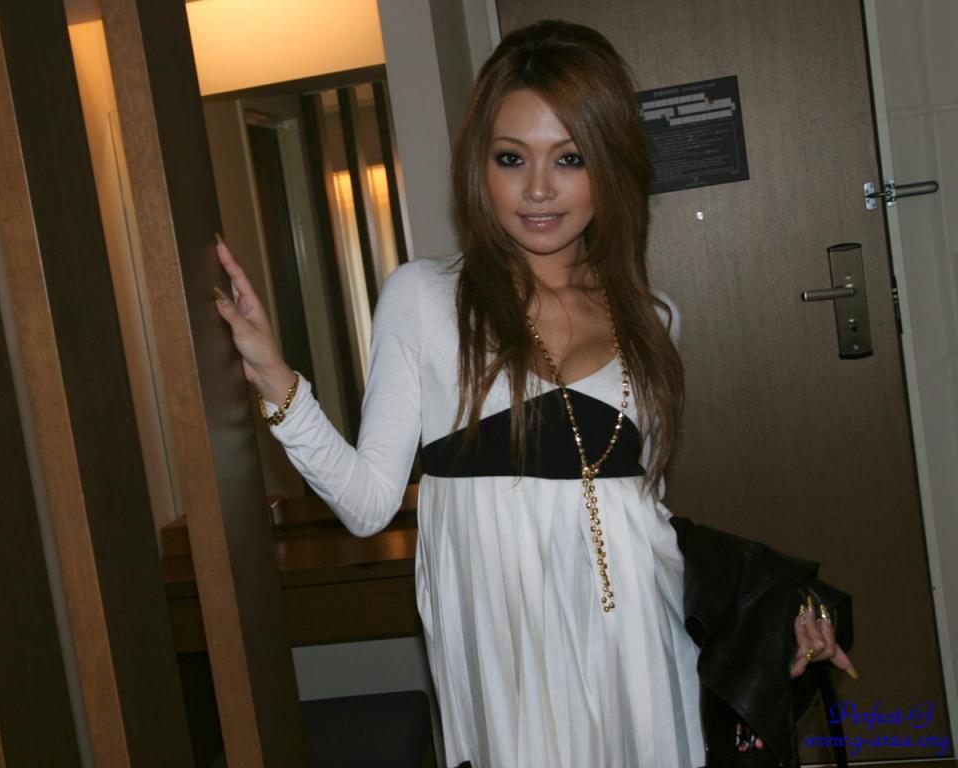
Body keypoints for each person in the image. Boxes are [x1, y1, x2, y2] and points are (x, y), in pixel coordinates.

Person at [214, 19, 853, 768]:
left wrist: (773, 610)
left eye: (570, 158)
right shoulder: (424, 299)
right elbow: (366, 506)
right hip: (507, 665)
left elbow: (640, 516)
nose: (539, 188)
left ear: (610, 165)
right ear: (479, 167)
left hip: (639, 655)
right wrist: (276, 379)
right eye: (511, 157)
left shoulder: (654, 319)